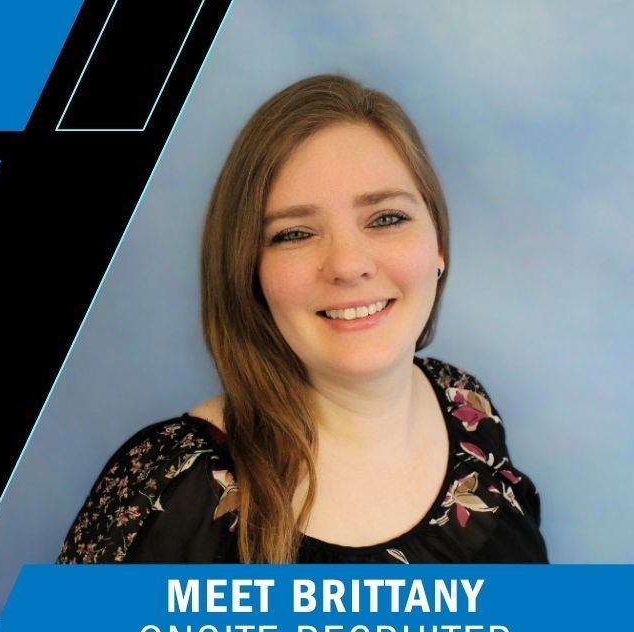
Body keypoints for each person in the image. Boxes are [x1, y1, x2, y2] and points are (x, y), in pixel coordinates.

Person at [58, 74, 547, 564]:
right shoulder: (170, 484)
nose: (348, 265)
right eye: (294, 233)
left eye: (386, 218)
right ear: (248, 271)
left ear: (437, 243)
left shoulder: (465, 405)